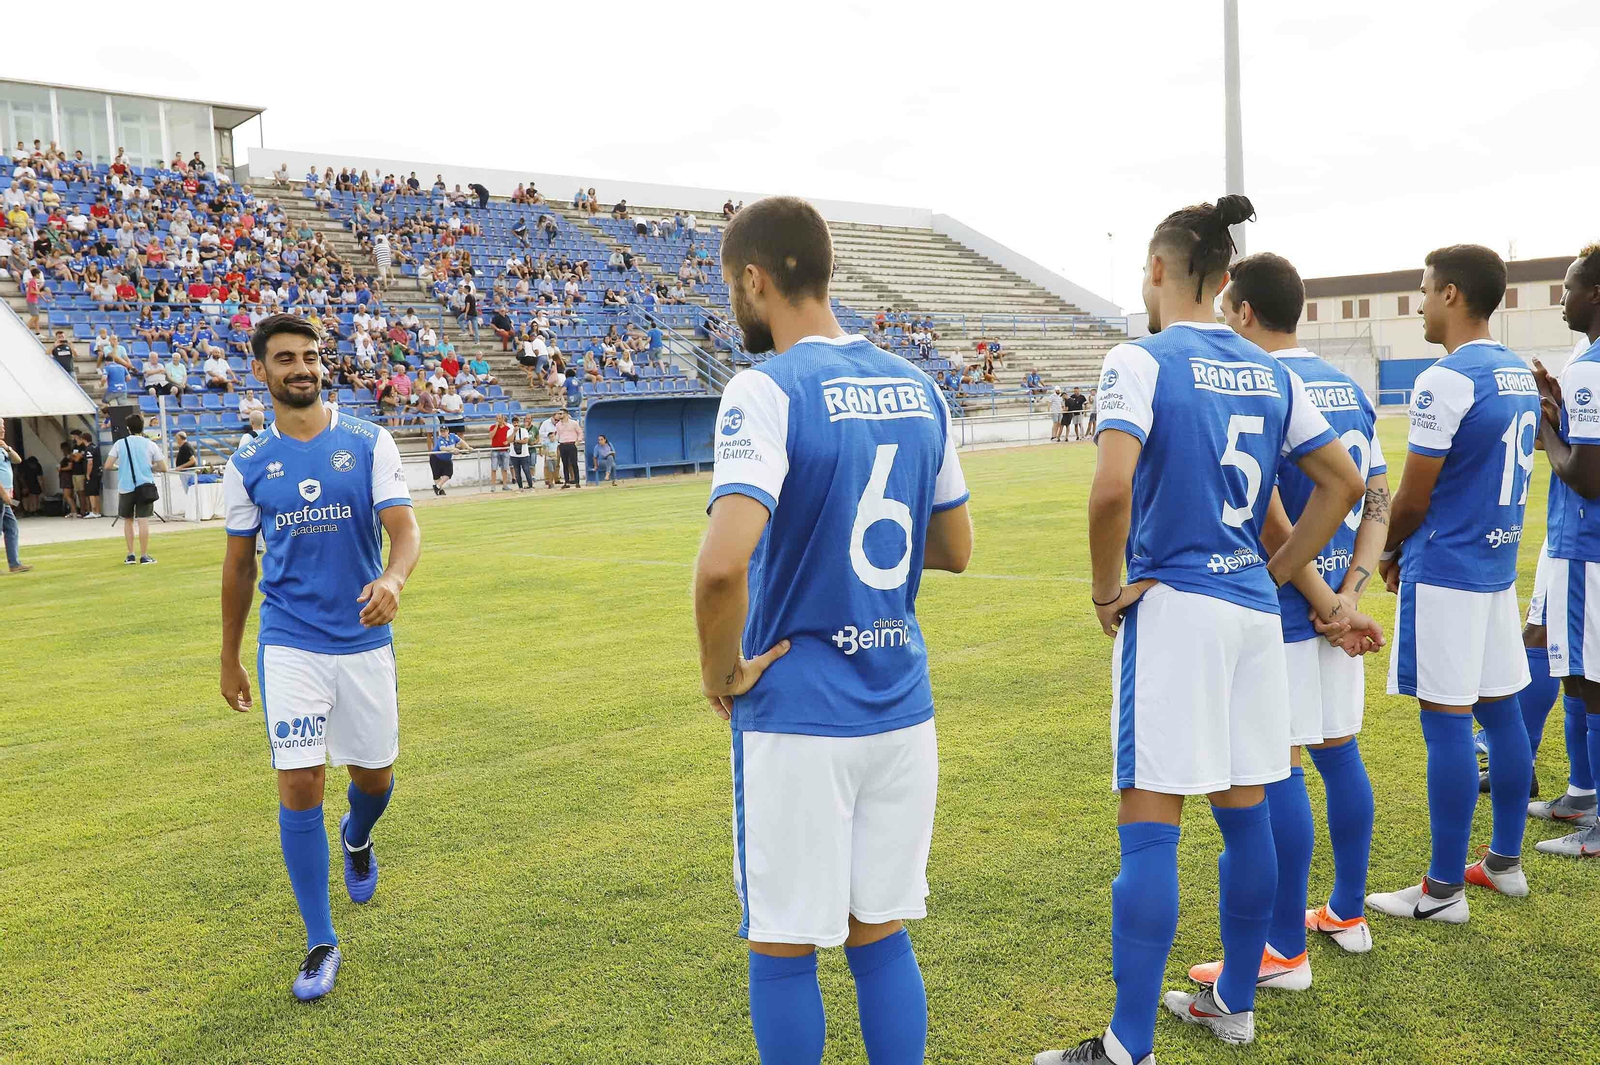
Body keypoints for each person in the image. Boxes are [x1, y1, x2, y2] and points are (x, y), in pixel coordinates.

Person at [1035, 197, 1374, 1065]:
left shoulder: (1139, 359)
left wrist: (1108, 590)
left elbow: (1111, 490)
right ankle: (1232, 1003)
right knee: (1246, 811)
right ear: (1226, 281)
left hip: (1177, 610)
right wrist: (1272, 571)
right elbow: (1339, 483)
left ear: (1158, 270)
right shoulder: (1271, 370)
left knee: (1150, 824)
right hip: (1256, 620)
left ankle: (1126, 1045)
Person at [695, 196, 973, 1065]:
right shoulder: (918, 384)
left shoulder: (767, 386)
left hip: (800, 714)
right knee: (879, 933)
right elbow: (955, 547)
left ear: (755, 278)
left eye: (730, 286)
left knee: (782, 948)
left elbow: (719, 563)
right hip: (900, 707)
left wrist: (721, 671)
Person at [1173, 253, 1392, 996]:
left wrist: (1319, 599)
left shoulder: (1267, 385)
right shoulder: (1352, 390)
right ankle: (1347, 913)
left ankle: (1282, 951)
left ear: (1240, 311)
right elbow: (1374, 500)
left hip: (1295, 615)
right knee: (1342, 754)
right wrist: (1351, 590)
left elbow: (1272, 520)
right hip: (1342, 605)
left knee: (1282, 771)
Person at [218, 313, 421, 1003]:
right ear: (262, 371)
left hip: (362, 637)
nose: (300, 367)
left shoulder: (368, 440)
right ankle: (320, 939)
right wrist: (229, 656)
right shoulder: (246, 462)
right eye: (284, 358)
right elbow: (239, 566)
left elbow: (405, 529)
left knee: (376, 779)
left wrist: (392, 580)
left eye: (308, 356)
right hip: (289, 641)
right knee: (299, 780)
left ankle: (357, 838)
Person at [1358, 245, 1541, 927]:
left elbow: (1410, 496)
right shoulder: (1516, 371)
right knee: (1501, 713)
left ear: (1454, 295)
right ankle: (1504, 862)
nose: (1420, 303)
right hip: (1494, 570)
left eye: (1427, 290)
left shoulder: (1446, 378)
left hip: (1449, 572)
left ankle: (1441, 890)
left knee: (1447, 726)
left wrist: (1389, 546)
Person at [1526, 243, 1600, 858]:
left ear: (1595, 294)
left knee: (1590, 680)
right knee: (1576, 676)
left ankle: (1597, 819)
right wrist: (1560, 404)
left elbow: (1586, 473)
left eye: (1571, 287)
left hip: (1586, 547)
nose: (1563, 298)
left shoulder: (1592, 366)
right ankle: (1583, 794)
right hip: (1585, 547)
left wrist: (1546, 424)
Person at [104, 415, 169, 565]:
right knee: (143, 521)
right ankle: (144, 555)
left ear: (128, 428)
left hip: (126, 487)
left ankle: (130, 554)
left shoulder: (120, 444)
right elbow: (163, 467)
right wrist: (151, 468)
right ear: (142, 427)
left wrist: (120, 468)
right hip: (144, 485)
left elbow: (108, 465)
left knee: (128, 520)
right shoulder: (150, 444)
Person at [0, 421, 30, 573]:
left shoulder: (3, 447)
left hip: (5, 496)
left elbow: (17, 460)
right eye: (1, 426)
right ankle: (14, 564)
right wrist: (4, 494)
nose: (3, 429)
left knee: (11, 527)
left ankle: (14, 564)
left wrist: (7, 447)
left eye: (4, 426)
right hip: (1, 495)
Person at [429, 425, 464, 495]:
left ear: (448, 431)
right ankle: (439, 490)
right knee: (436, 475)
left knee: (449, 473)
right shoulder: (440, 439)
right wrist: (453, 449)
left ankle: (437, 486)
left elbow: (461, 441)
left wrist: (468, 447)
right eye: (441, 431)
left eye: (444, 431)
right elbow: (442, 448)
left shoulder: (453, 436)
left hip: (447, 458)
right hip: (436, 457)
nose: (443, 433)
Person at [553, 409, 581, 489]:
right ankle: (566, 481)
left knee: (574, 463)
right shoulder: (558, 425)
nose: (559, 415)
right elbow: (558, 434)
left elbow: (580, 432)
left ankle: (577, 481)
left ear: (566, 414)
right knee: (565, 464)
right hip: (562, 444)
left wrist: (577, 441)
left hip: (571, 443)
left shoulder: (573, 423)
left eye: (561, 413)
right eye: (558, 414)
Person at [508, 416, 534, 490]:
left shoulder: (524, 430)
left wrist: (516, 441)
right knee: (517, 472)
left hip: (524, 454)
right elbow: (509, 440)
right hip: (514, 454)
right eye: (514, 423)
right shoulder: (510, 431)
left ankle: (531, 486)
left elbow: (525, 441)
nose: (516, 424)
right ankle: (520, 487)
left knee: (526, 470)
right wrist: (514, 432)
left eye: (517, 422)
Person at [487, 413, 512, 492]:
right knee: (494, 469)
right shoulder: (492, 427)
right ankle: (493, 486)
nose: (498, 420)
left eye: (499, 418)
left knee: (504, 469)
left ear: (503, 419)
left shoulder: (507, 428)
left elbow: (510, 438)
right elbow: (490, 436)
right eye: (497, 418)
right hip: (495, 450)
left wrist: (507, 442)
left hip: (504, 450)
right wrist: (496, 427)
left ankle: (505, 485)